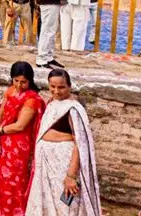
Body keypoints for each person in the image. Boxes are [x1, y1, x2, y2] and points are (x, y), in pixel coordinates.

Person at [26, 69, 101, 216]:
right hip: (47, 165)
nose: (56, 91)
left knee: (65, 206)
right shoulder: (52, 102)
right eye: (52, 87)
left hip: (63, 165)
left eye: (61, 87)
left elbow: (80, 144)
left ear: (69, 86)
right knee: (48, 203)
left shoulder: (73, 109)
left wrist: (71, 176)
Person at [0, 62, 45, 216]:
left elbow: (20, 126)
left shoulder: (32, 99)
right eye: (16, 80)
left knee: (15, 182)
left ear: (30, 80)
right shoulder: (11, 91)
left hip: (19, 147)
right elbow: (0, 112)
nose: (19, 85)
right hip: (4, 142)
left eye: (23, 82)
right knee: (1, 179)